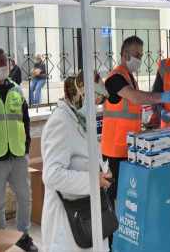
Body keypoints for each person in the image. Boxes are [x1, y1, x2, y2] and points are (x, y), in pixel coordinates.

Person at [102, 36, 170, 205]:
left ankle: (120, 230)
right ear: (125, 54)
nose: (140, 59)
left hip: (128, 148)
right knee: (114, 198)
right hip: (114, 151)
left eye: (141, 55)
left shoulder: (129, 78)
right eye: (137, 55)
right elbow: (136, 98)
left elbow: (132, 108)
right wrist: (162, 97)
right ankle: (111, 232)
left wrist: (155, 117)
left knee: (125, 196)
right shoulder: (115, 78)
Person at [41, 72, 112, 252]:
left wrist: (103, 171)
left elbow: (85, 157)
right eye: (94, 97)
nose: (97, 104)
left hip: (87, 211)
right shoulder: (61, 122)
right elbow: (52, 175)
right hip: (68, 219)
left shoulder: (79, 118)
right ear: (79, 93)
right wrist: (93, 180)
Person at [0, 48, 37, 251]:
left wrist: (26, 148)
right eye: (0, 64)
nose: (5, 67)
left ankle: (23, 236)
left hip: (17, 155)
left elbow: (25, 120)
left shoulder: (16, 88)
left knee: (25, 197)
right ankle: (1, 240)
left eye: (6, 62)